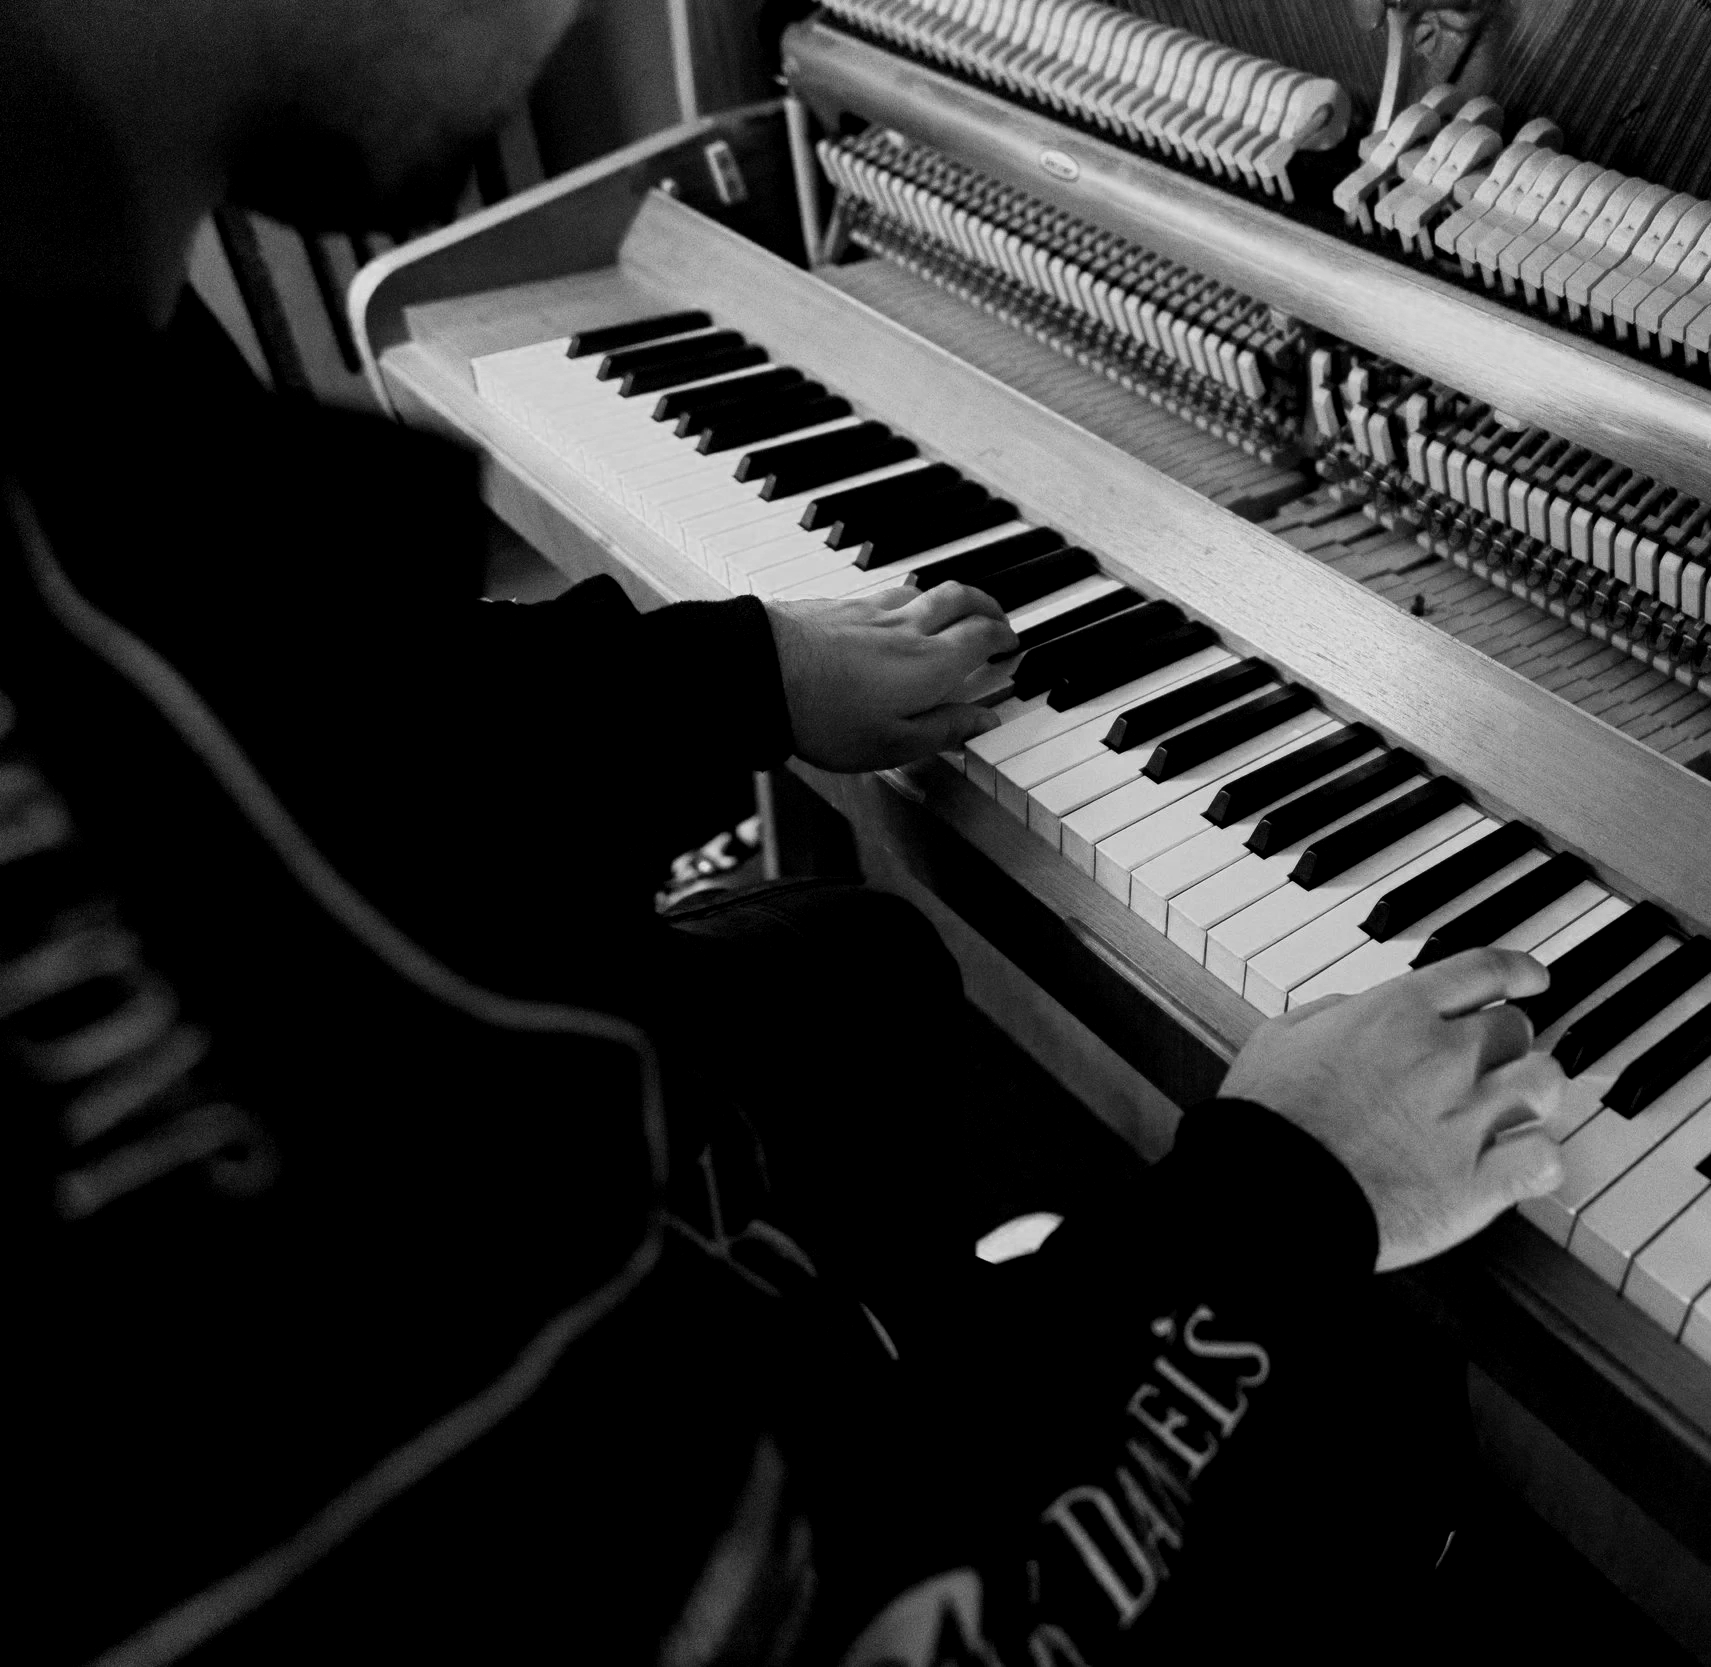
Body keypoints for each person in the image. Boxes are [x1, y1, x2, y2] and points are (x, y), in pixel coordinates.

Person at [4, 3, 1570, 1663]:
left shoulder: (72, 354)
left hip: (585, 1262)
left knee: (868, 965)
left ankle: (924, 1308)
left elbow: (355, 719)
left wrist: (743, 668)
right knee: (1375, 1400)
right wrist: (1280, 1199)